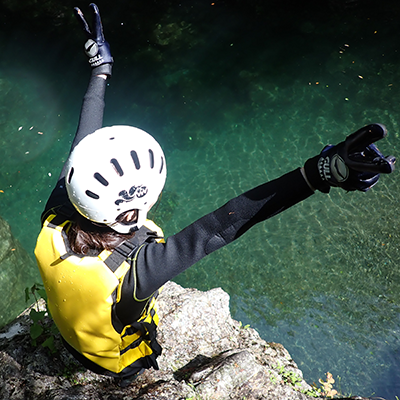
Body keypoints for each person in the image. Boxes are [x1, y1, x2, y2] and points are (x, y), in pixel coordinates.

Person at [34, 3, 395, 386]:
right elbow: (226, 223)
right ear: (134, 206)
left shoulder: (56, 215)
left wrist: (100, 71)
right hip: (113, 363)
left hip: (73, 338)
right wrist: (316, 174)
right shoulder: (137, 273)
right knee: (136, 352)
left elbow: (85, 143)